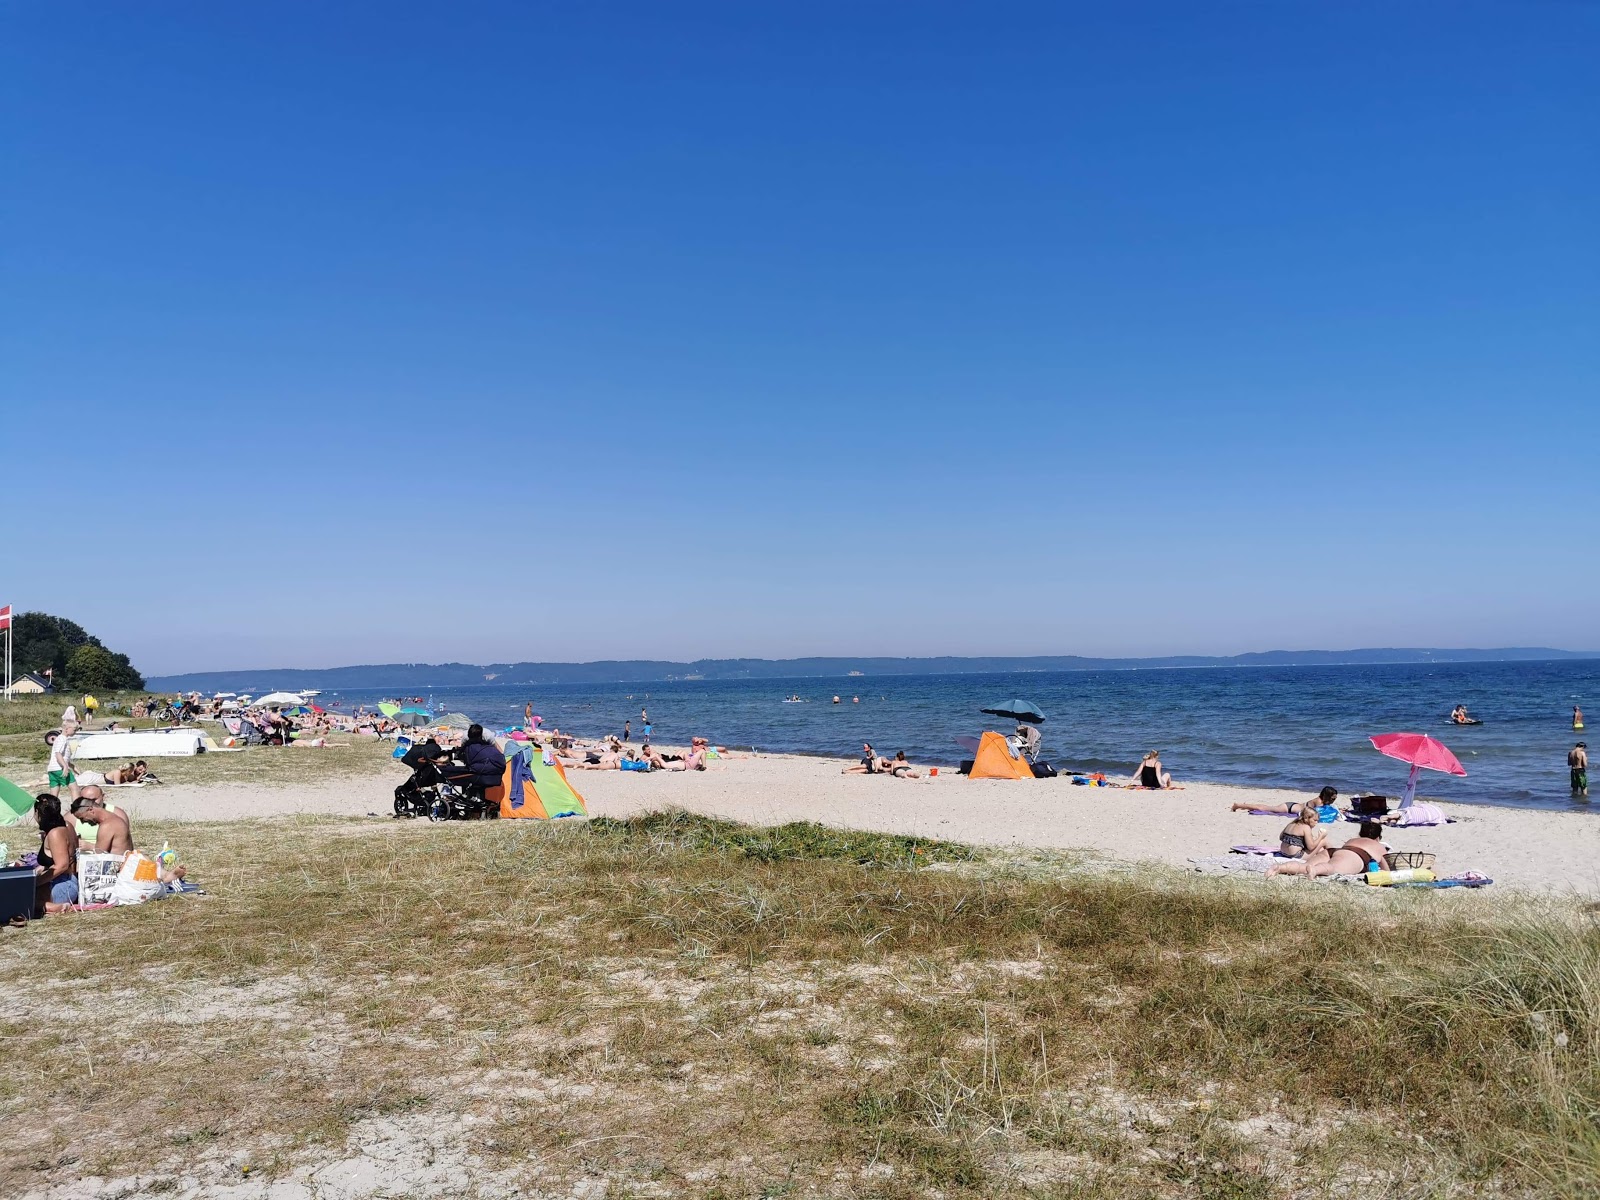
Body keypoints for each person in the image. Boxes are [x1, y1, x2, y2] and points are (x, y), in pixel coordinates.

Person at [1267, 821, 1388, 879]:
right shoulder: (1379, 846)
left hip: (1335, 851)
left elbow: (1342, 850)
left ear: (1361, 833)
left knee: (1305, 865)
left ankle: (1280, 867)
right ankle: (1315, 871)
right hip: (1355, 855)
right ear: (1378, 837)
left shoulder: (1353, 839)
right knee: (1332, 868)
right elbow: (1386, 867)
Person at [32, 795, 78, 913]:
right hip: (66, 881)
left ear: (37, 812)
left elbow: (62, 865)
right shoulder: (66, 826)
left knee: (18, 898)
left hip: (62, 885)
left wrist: (37, 882)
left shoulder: (55, 833)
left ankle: (56, 907)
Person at [1233, 786, 1338, 820]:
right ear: (1327, 796)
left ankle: (1242, 806)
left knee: (1265, 808)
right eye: (1333, 798)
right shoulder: (1318, 801)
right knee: (1264, 808)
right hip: (1289, 808)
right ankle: (1239, 805)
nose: (1334, 800)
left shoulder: (1322, 801)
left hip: (1294, 805)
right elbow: (1319, 814)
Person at [44, 730, 77, 802]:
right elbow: (58, 754)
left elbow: (63, 757)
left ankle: (50, 809)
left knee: (53, 793)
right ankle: (77, 809)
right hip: (60, 768)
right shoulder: (62, 739)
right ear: (68, 729)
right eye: (74, 730)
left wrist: (73, 767)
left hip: (52, 769)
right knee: (74, 788)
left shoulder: (58, 739)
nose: (75, 732)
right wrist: (65, 766)